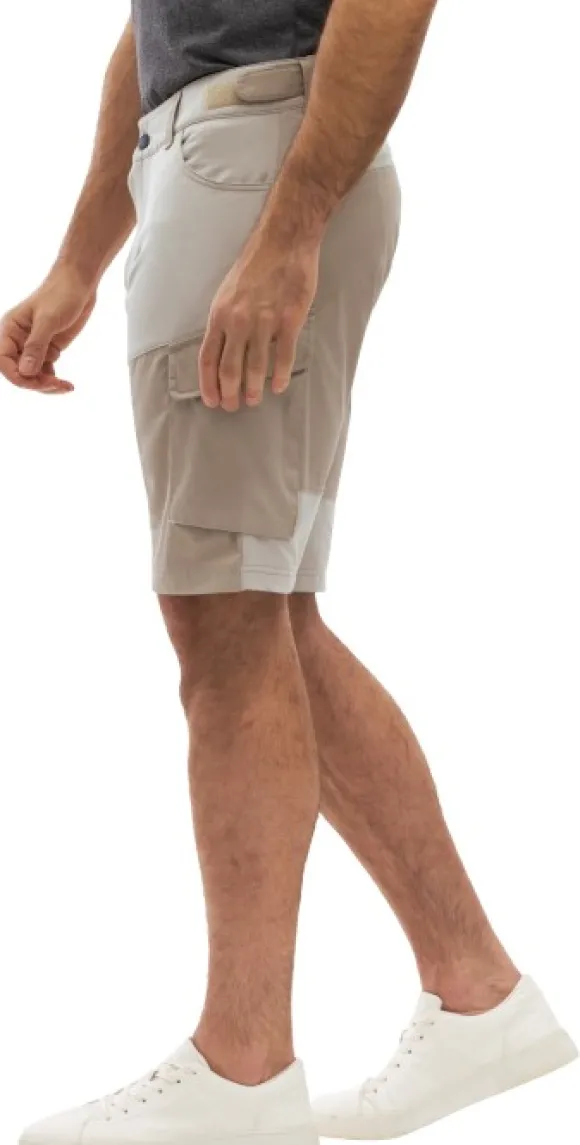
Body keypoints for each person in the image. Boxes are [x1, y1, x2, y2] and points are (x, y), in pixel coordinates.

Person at [2, 2, 576, 1143]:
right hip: (215, 160)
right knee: (265, 618)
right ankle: (478, 993)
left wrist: (290, 223)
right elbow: (157, 27)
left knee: (225, 619)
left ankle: (243, 1069)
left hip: (257, 167)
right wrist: (79, 258)